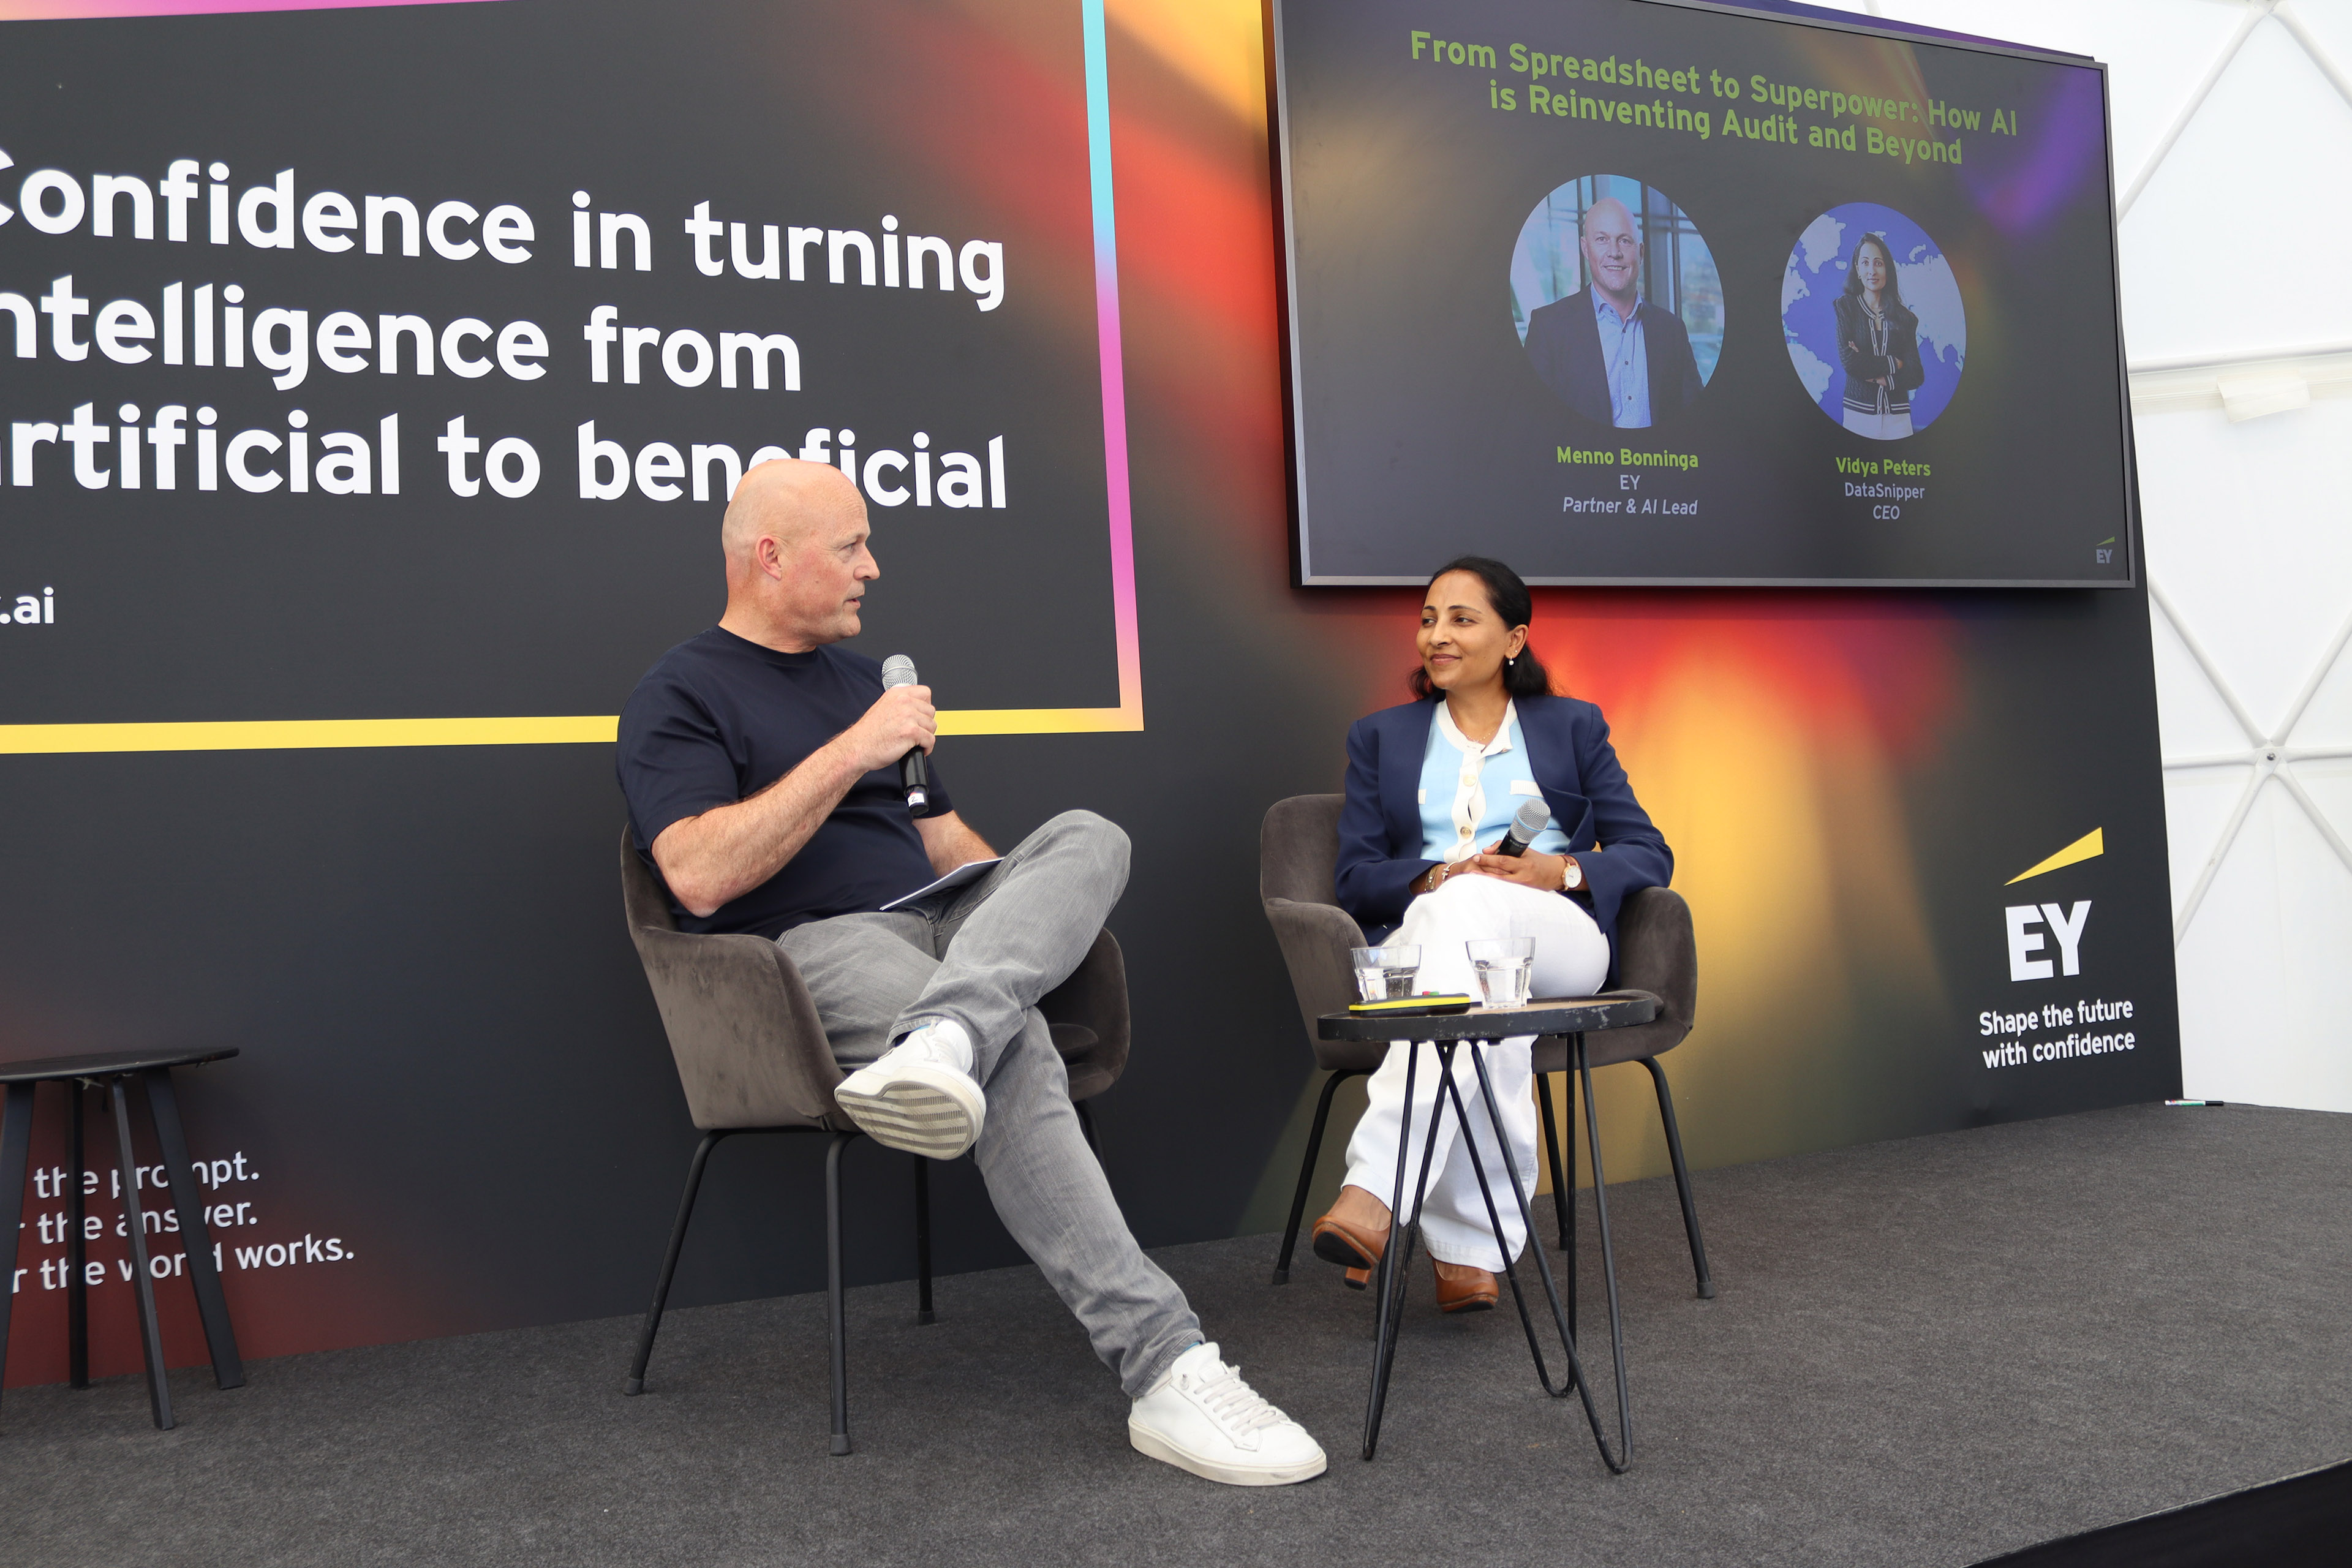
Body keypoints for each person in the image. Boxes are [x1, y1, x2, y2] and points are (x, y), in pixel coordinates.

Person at [615, 458, 1324, 1486]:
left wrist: (1011, 908)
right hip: (818, 946)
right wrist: (853, 751)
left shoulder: (865, 682)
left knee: (1089, 836)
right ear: (770, 557)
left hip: (947, 927)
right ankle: (1169, 1367)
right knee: (1011, 1037)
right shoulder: (681, 692)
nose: (873, 567)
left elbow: (944, 841)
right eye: (851, 547)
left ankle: (944, 1033)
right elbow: (695, 875)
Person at [1310, 556, 1672, 1312]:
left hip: (1560, 939)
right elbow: (1357, 877)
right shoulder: (1381, 737)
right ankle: (1466, 1251)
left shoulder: (1573, 725)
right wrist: (1439, 875)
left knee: (1476, 920)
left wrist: (1558, 870)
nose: (1436, 635)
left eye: (1461, 619)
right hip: (1431, 937)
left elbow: (1647, 851)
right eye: (1428, 619)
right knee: (1482, 990)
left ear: (1514, 639)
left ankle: (1376, 1184)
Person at [1521, 194, 1704, 429]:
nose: (1614, 252)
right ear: (1585, 248)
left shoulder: (1672, 330)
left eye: (1625, 241)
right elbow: (1532, 423)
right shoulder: (1548, 327)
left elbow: (1696, 420)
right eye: (1602, 239)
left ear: (1641, 252)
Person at [1833, 230, 1924, 440]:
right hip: (1858, 417)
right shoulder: (1846, 307)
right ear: (1858, 269)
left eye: (1878, 263)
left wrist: (1882, 378)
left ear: (1887, 269)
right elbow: (1850, 362)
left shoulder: (1906, 318)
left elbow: (1916, 374)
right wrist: (1896, 363)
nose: (1872, 271)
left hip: (1899, 420)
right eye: (1865, 263)